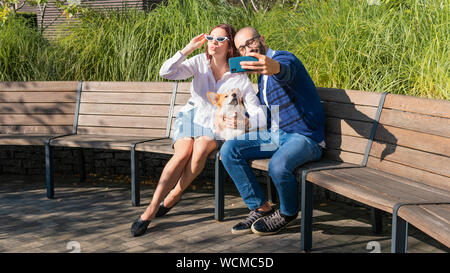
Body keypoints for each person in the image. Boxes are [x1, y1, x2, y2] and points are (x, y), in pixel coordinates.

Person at [131, 24, 266, 237]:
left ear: (230, 45)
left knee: (201, 150)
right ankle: (151, 208)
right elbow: (166, 72)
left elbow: (256, 110)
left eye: (220, 39)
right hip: (192, 115)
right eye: (211, 37)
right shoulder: (199, 62)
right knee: (183, 153)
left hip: (215, 123)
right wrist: (188, 49)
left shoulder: (239, 77)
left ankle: (176, 192)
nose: (213, 42)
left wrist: (247, 121)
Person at [220, 27, 326, 236]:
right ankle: (260, 207)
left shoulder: (284, 59)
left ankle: (287, 213)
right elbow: (273, 112)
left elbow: (287, 70)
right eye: (242, 48)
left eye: (250, 43)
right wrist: (247, 123)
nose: (247, 49)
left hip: (305, 137)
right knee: (228, 150)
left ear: (262, 39)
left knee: (278, 165)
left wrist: (274, 67)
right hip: (276, 136)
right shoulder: (261, 77)